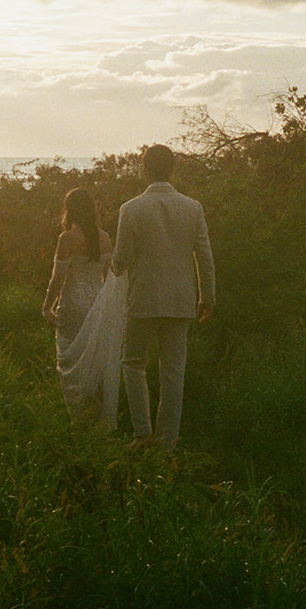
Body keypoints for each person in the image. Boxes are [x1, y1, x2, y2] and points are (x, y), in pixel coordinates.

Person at [113, 144, 215, 450]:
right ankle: (168, 441)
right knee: (173, 372)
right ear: (172, 169)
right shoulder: (192, 207)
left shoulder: (131, 209)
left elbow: (121, 258)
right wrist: (207, 297)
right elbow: (205, 256)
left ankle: (142, 435)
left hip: (143, 299)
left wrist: (112, 266)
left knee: (133, 363)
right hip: (181, 300)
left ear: (144, 169)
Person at [42, 188, 123, 425]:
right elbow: (109, 279)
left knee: (69, 359)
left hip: (73, 304)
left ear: (70, 210)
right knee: (94, 357)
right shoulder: (105, 238)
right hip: (96, 303)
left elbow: (58, 277)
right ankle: (96, 413)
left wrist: (47, 306)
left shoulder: (66, 238)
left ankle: (78, 416)